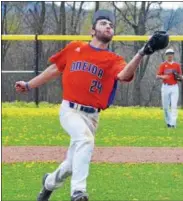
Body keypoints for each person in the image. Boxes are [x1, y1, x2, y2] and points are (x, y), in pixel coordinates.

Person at [15, 10, 168, 201]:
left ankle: (48, 183)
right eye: (103, 23)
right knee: (86, 141)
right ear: (92, 30)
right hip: (70, 110)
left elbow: (124, 75)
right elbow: (55, 69)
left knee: (71, 165)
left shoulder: (113, 60)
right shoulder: (75, 48)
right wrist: (29, 85)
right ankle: (78, 192)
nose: (108, 26)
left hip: (92, 117)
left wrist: (142, 52)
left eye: (111, 25)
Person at [156, 48, 182, 128]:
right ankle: (168, 122)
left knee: (174, 106)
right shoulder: (163, 65)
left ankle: (172, 123)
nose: (170, 55)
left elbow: (180, 76)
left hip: (174, 87)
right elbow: (157, 76)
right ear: (166, 55)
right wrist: (163, 76)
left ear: (173, 55)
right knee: (166, 107)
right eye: (168, 54)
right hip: (165, 87)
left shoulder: (177, 65)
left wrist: (179, 77)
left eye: (171, 54)